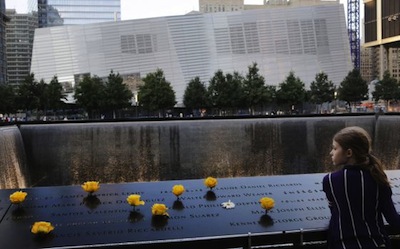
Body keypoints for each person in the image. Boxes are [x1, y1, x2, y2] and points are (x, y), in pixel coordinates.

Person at [323, 126, 400, 249]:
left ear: (349, 153)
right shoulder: (378, 178)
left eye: (335, 148)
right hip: (377, 243)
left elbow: (336, 216)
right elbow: (393, 220)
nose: (331, 152)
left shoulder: (330, 181)